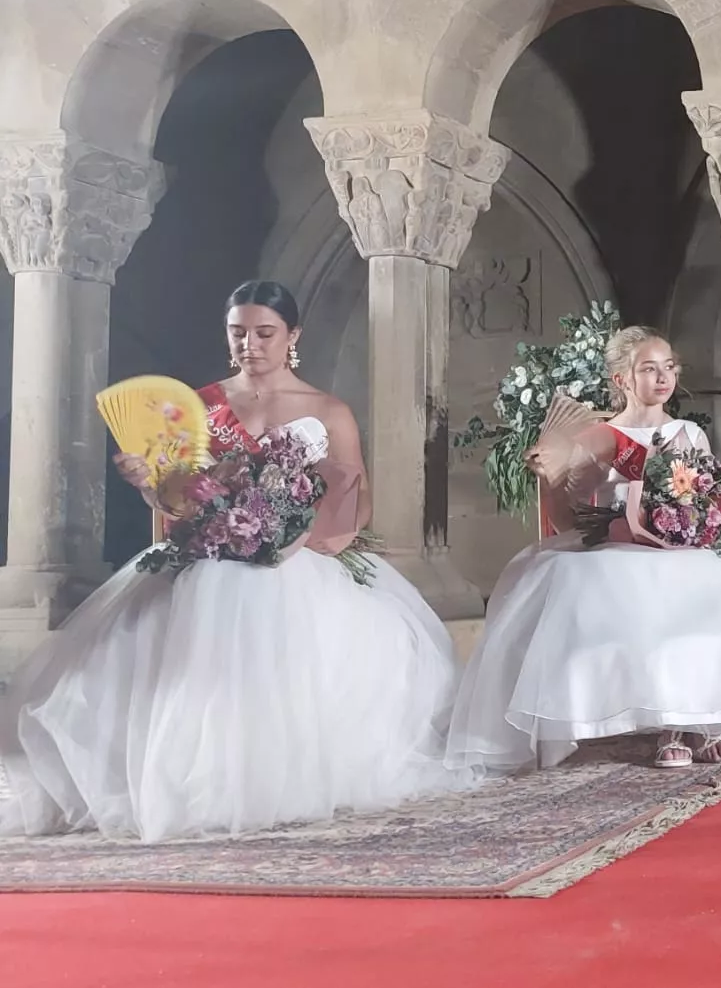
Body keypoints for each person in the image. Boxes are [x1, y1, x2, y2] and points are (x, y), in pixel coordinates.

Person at [0, 281, 476, 842]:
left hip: (298, 559)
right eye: (238, 332)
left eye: (264, 333)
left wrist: (324, 536)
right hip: (206, 555)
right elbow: (176, 498)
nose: (249, 344)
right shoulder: (197, 405)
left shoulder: (326, 410)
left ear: (292, 336)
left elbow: (356, 493)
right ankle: (181, 776)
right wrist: (148, 484)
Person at [445, 326, 721, 772]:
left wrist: (697, 522)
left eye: (669, 367)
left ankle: (698, 722)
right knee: (633, 599)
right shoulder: (603, 437)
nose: (663, 377)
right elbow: (572, 518)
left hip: (683, 547)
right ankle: (673, 724)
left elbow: (705, 497)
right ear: (622, 380)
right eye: (649, 369)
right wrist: (551, 479)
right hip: (622, 548)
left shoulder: (689, 431)